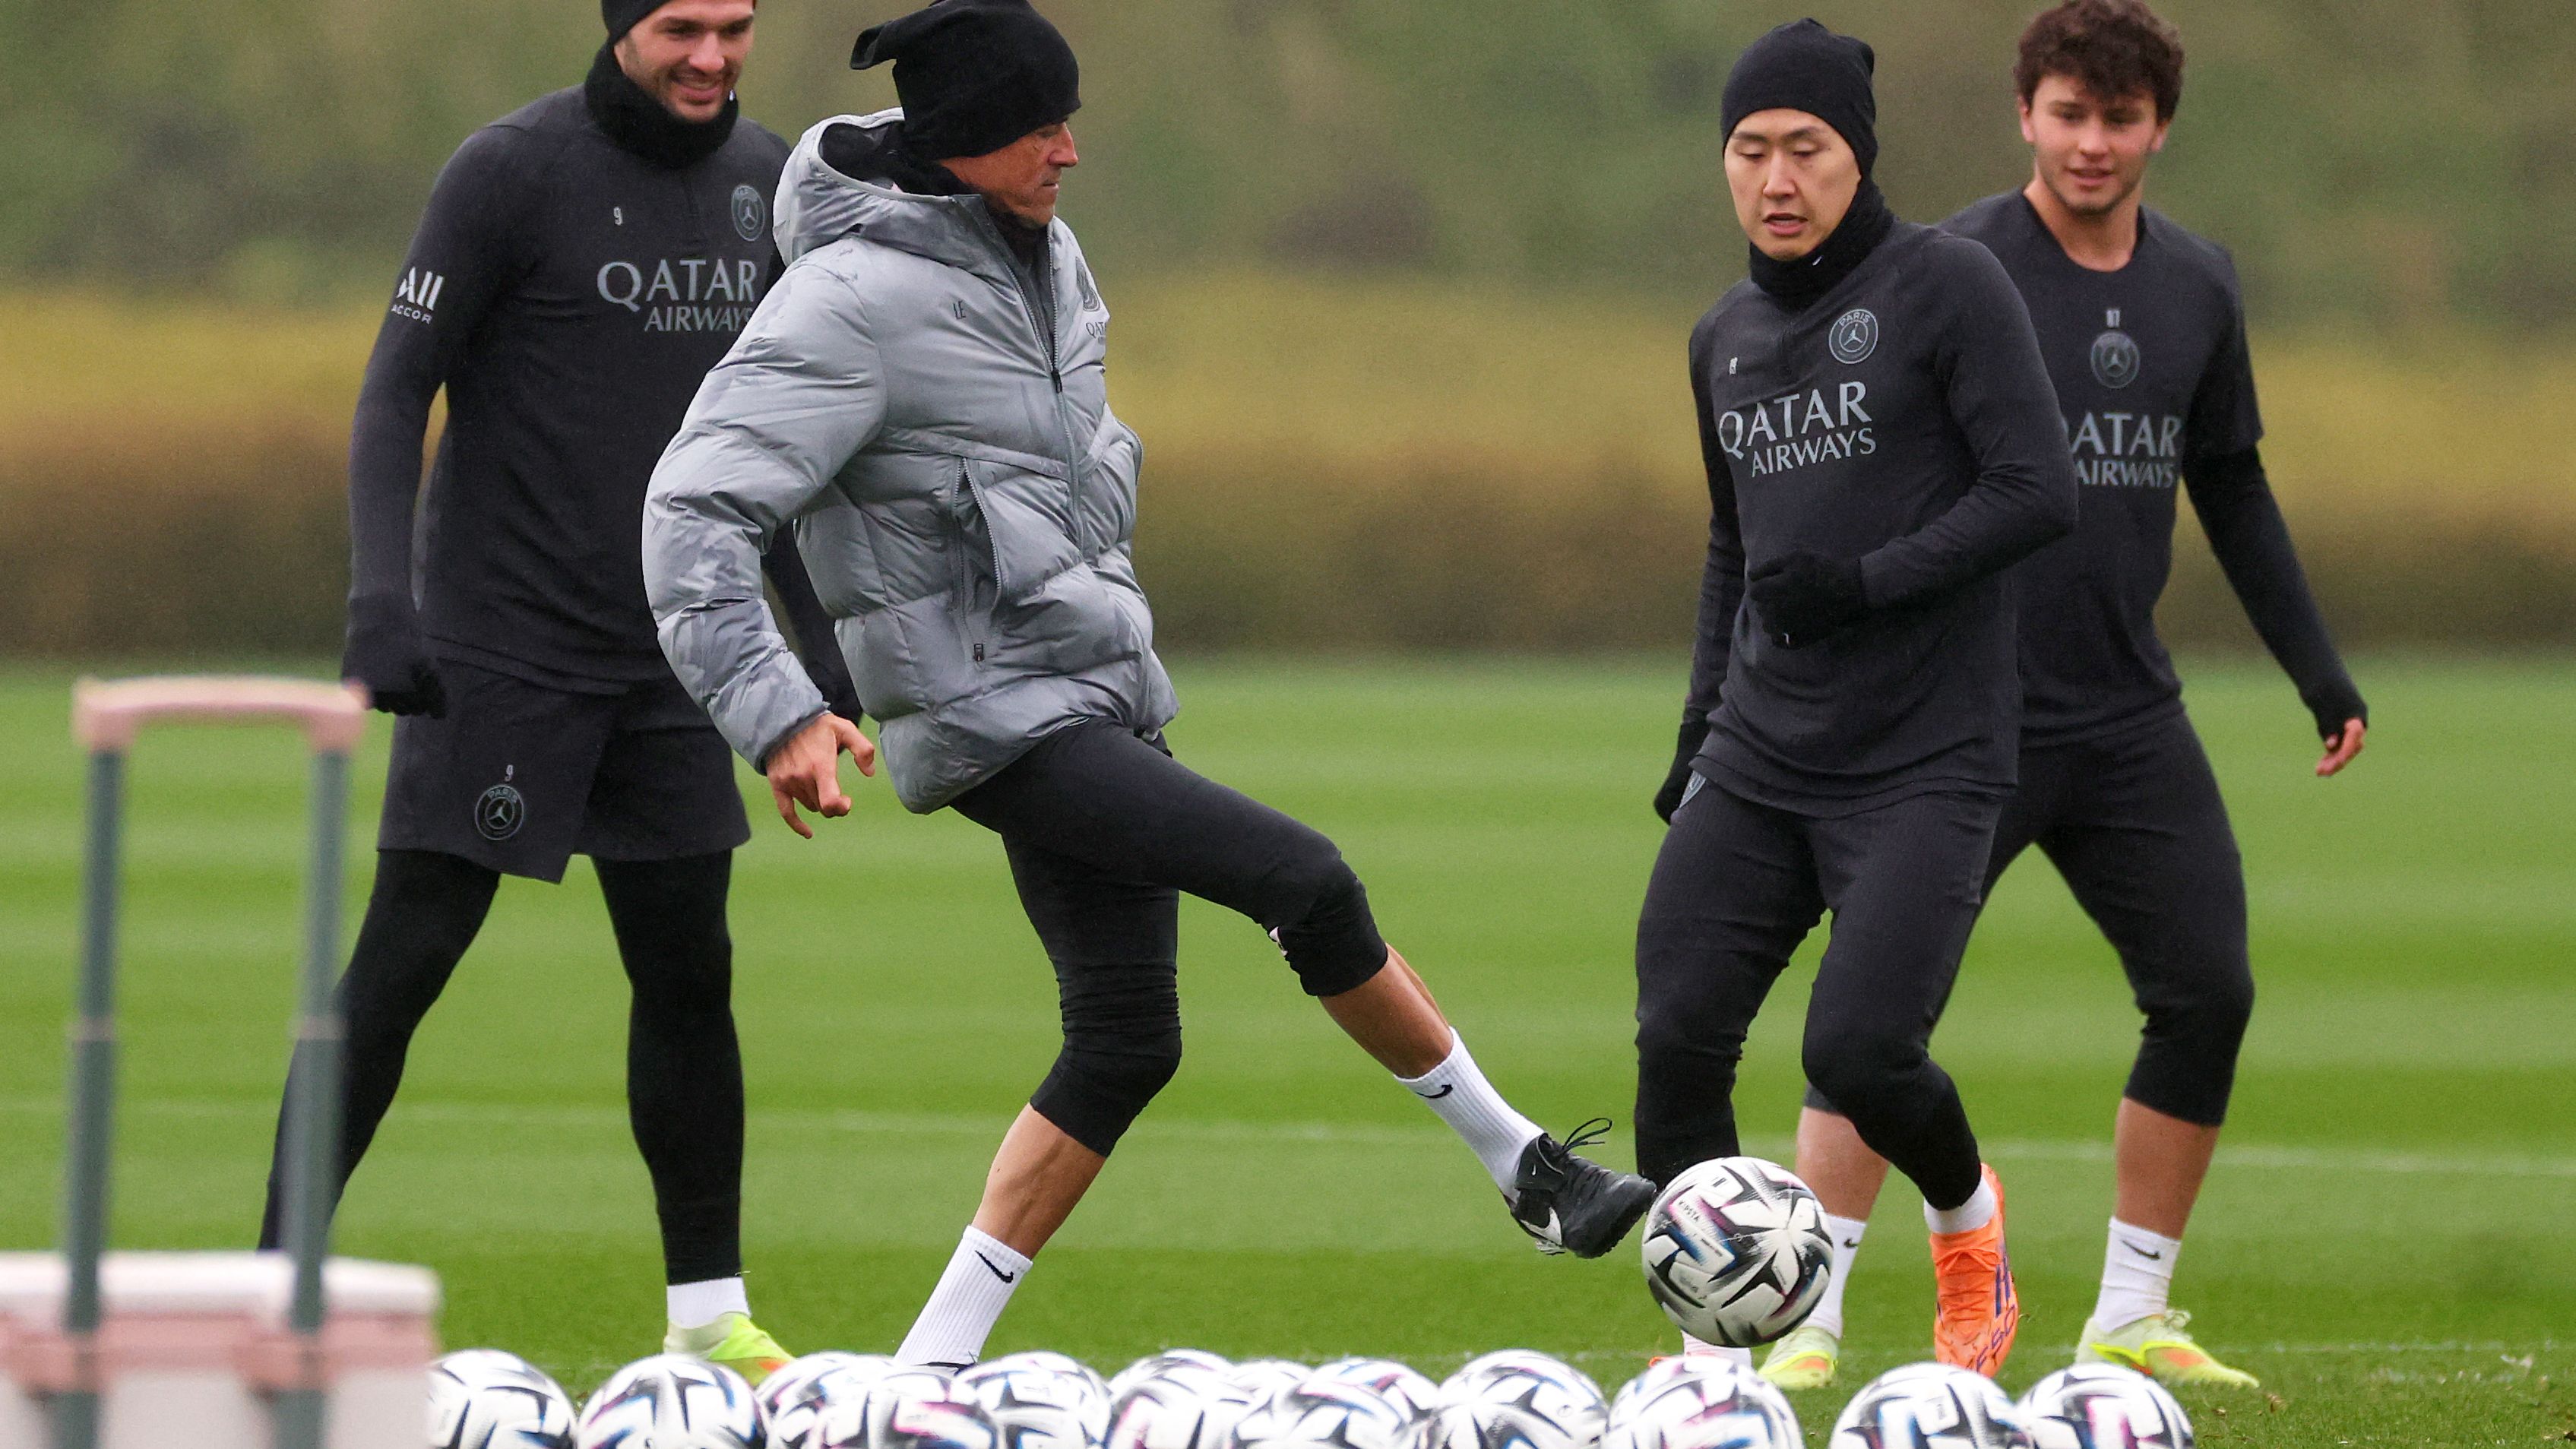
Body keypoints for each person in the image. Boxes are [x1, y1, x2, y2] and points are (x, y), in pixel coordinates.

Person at [643, 0, 1656, 1370]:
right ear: (961, 142)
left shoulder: (1047, 255)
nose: (1071, 149)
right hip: (994, 721)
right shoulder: (846, 303)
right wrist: (776, 710)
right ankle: (1527, 1168)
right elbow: (692, 511)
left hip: (1098, 696)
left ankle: (928, 1369)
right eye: (1041, 125)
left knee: (1125, 1042)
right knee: (1305, 880)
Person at [1760, 0, 2367, 1394]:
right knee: (1870, 1023)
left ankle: (2129, 1315)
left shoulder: (2196, 285)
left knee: (2206, 990)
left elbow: (2233, 483)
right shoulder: (1952, 267)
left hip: (2125, 715)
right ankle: (1807, 1318)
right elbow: (1851, 460)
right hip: (1952, 719)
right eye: (2067, 113)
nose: (2092, 143)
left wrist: (2314, 668)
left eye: (2120, 117)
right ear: (2024, 113)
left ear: (2158, 126)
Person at [260, 0, 857, 1384]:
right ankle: (270, 1292)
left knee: (689, 974)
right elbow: (391, 390)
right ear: (619, 24)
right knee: (403, 965)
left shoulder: (768, 186)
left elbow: (780, 446)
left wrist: (817, 653)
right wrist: (378, 605)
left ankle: (709, 1315)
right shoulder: (507, 175)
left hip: (674, 656)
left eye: (736, 28)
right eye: (680, 29)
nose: (711, 57)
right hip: (501, 650)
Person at [1635, 18, 2079, 1378]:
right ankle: (1715, 1358)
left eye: (1805, 149)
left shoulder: (1945, 285)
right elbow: (1736, 551)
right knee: (1676, 1032)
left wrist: (1872, 581)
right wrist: (1698, 724)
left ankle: (1965, 1224)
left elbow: (2038, 490)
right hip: (1764, 752)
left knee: (1864, 1047)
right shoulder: (1721, 335)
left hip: (1925, 759)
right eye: (1749, 150)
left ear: (1855, 156)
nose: (1776, 177)